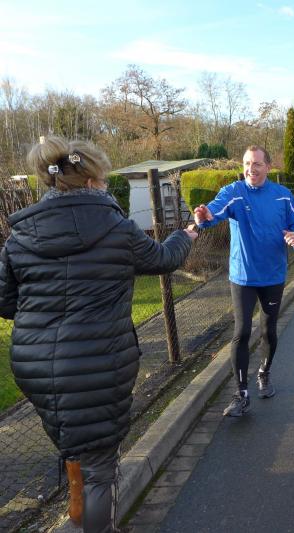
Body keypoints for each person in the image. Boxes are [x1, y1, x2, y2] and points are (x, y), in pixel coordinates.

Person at [0, 136, 196, 532]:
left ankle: (80, 516)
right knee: (99, 470)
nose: (106, 185)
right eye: (104, 179)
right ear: (91, 181)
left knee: (76, 452)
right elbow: (163, 259)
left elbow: (5, 303)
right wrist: (186, 235)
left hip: (37, 368)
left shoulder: (20, 237)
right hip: (98, 364)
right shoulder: (117, 229)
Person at [194, 145, 294, 417]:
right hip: (243, 276)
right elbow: (214, 211)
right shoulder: (234, 192)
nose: (251, 169)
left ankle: (264, 373)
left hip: (272, 276)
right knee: (242, 332)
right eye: (247, 163)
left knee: (268, 330)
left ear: (268, 167)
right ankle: (241, 394)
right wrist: (204, 216)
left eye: (257, 163)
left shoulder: (282, 196)